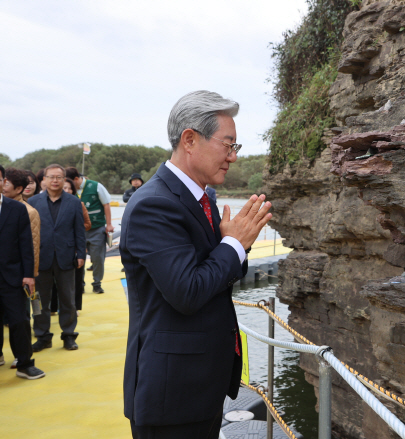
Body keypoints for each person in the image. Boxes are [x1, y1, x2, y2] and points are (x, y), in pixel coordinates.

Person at [120, 90, 271, 438]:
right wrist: (234, 243)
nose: (232, 157)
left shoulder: (200, 197)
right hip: (172, 394)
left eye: (236, 148)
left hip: (199, 383)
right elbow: (187, 291)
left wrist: (232, 246)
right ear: (190, 140)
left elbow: (220, 273)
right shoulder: (154, 205)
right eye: (227, 145)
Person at [28, 164, 86, 351]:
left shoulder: (74, 202)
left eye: (59, 177)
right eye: (51, 177)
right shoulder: (34, 202)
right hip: (40, 258)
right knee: (39, 300)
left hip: (66, 256)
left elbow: (79, 230)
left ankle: (69, 335)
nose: (55, 180)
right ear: (43, 179)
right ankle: (42, 336)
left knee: (68, 299)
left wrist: (81, 253)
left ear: (64, 180)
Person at [0, 165, 45, 379]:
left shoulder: (17, 209)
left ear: (3, 182)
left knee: (19, 320)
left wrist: (29, 274)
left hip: (12, 276)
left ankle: (25, 363)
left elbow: (27, 244)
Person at [66, 167, 114, 294]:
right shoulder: (67, 190)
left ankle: (97, 283)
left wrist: (109, 224)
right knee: (77, 257)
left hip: (97, 228)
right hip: (76, 230)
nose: (67, 185)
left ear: (76, 179)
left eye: (70, 182)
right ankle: (79, 284)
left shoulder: (96, 186)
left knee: (98, 257)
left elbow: (106, 204)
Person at [64, 178, 91, 313]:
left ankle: (76, 307)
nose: (67, 190)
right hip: (55, 248)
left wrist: (74, 228)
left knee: (76, 279)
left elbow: (87, 224)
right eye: (64, 188)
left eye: (69, 188)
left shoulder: (78, 204)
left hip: (75, 247)